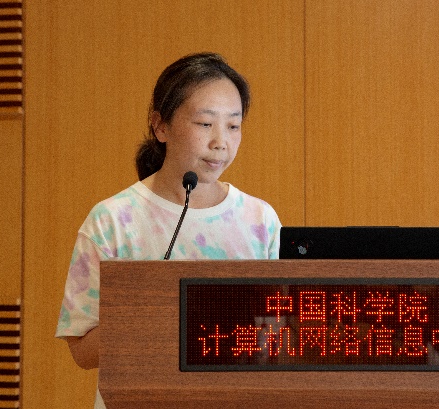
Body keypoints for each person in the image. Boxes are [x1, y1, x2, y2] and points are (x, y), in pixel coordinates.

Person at [55, 52, 282, 408]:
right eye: (205, 123)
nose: (220, 141)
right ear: (160, 126)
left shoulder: (260, 220)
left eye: (233, 126)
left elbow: (277, 337)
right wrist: (159, 318)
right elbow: (82, 350)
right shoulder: (112, 221)